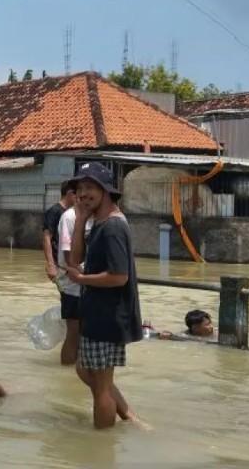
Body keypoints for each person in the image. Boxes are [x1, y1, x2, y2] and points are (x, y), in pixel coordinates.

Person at [63, 162, 143, 429]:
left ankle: (102, 446)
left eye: (89, 188)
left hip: (108, 316)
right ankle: (130, 418)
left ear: (106, 190)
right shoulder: (98, 222)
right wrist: (81, 219)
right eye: (80, 188)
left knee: (101, 388)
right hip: (97, 313)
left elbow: (119, 276)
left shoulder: (113, 227)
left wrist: (83, 279)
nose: (83, 194)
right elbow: (75, 260)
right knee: (85, 371)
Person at [56, 202, 93, 365]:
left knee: (87, 334)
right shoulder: (69, 218)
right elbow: (68, 255)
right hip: (73, 286)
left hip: (92, 284)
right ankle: (66, 373)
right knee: (74, 333)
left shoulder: (99, 216)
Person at [43, 182, 78, 283]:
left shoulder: (71, 212)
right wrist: (51, 264)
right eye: (77, 193)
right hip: (59, 263)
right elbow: (46, 238)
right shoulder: (54, 211)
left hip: (68, 262)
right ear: (70, 193)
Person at [153, 310, 217, 341]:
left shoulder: (217, 334)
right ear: (195, 328)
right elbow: (169, 335)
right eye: (207, 324)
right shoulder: (184, 336)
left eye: (210, 323)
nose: (211, 326)